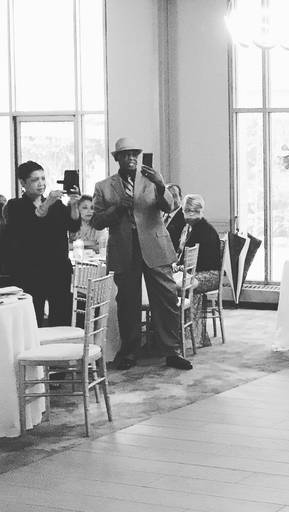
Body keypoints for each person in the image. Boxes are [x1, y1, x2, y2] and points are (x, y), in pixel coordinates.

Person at [91, 138, 193, 371]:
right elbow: (96, 221)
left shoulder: (151, 181)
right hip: (123, 250)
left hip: (155, 248)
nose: (131, 158)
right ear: (116, 158)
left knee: (167, 299)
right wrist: (118, 208)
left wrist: (160, 184)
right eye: (125, 154)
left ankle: (172, 351)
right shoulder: (104, 186)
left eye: (135, 154)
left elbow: (169, 207)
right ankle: (129, 351)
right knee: (127, 303)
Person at [3, 161, 81, 325]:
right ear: (23, 183)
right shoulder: (15, 206)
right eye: (35, 180)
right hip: (30, 271)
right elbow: (28, 229)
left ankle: (59, 350)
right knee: (32, 319)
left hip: (58, 268)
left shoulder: (56, 204)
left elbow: (73, 226)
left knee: (61, 317)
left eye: (43, 178)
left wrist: (74, 205)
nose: (41, 183)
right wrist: (47, 203)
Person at [173, 194, 222, 347]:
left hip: (210, 274)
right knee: (181, 283)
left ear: (199, 211)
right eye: (186, 211)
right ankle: (187, 334)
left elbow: (200, 262)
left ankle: (194, 336)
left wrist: (180, 267)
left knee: (185, 285)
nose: (188, 215)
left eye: (191, 211)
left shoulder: (202, 230)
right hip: (198, 271)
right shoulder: (191, 227)